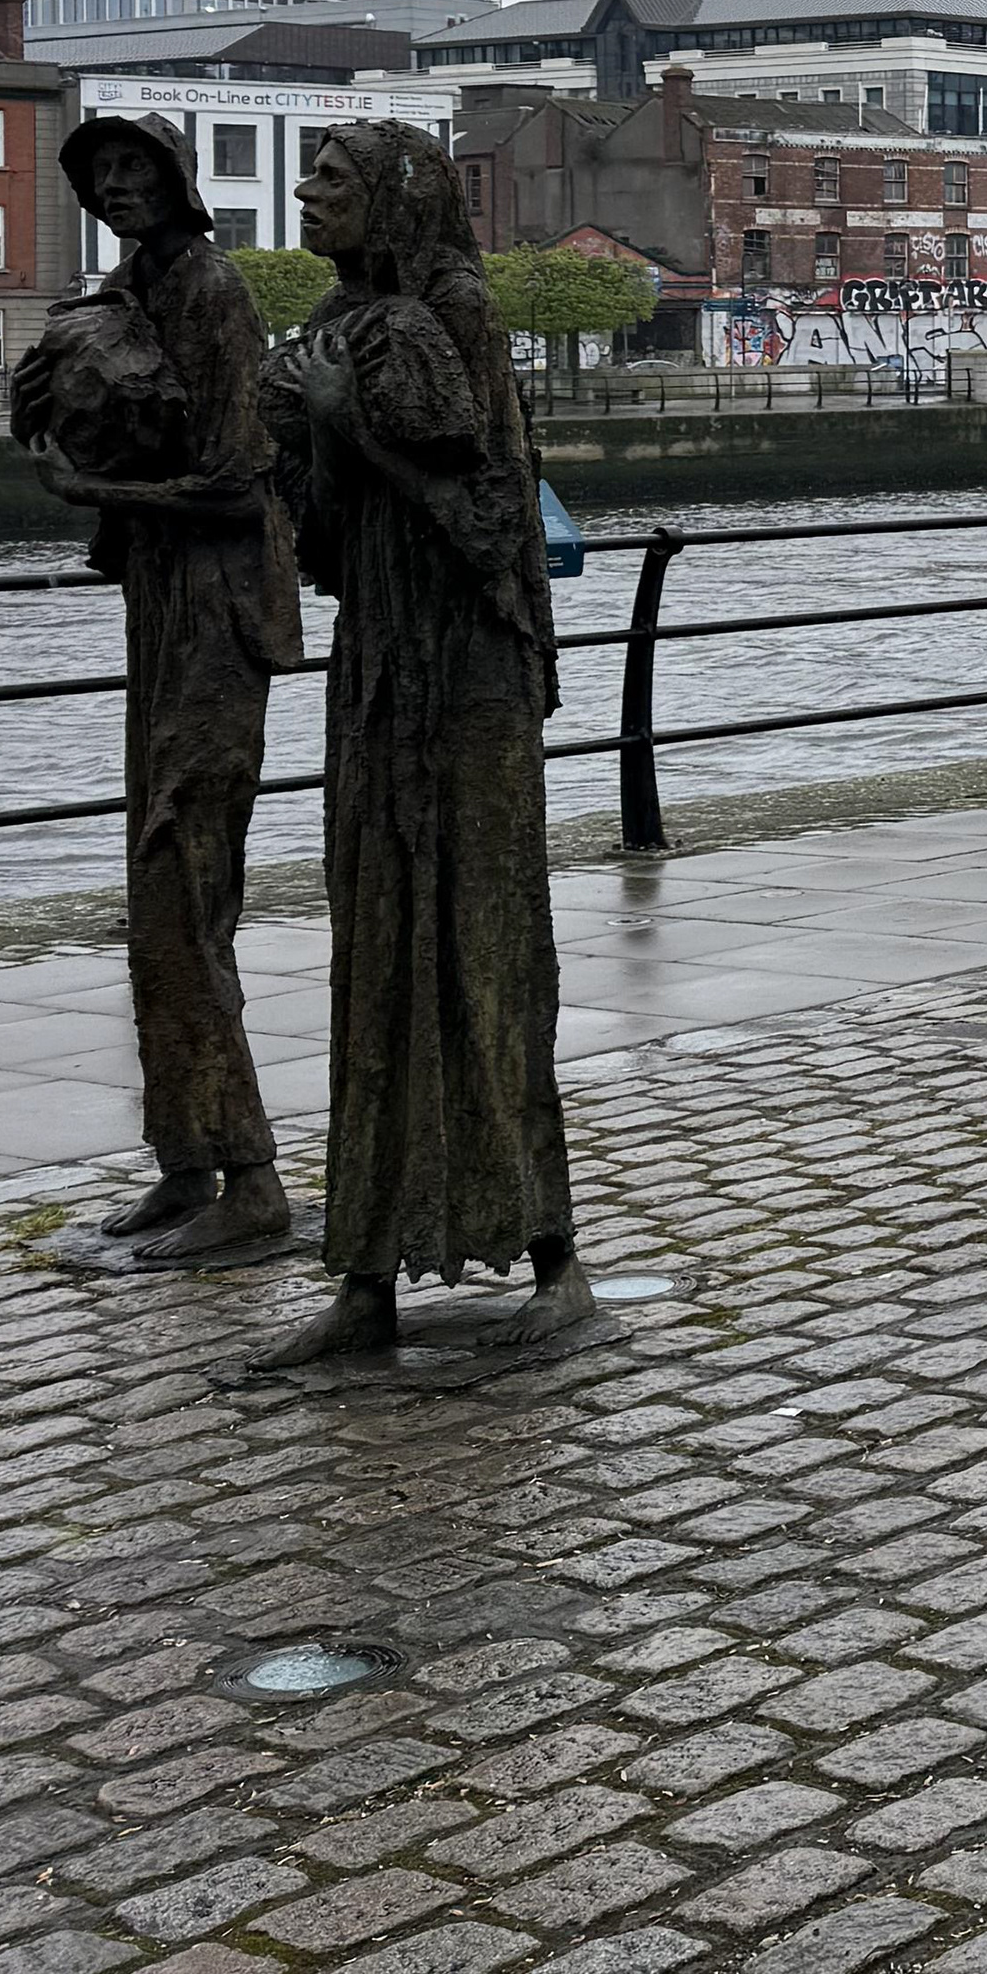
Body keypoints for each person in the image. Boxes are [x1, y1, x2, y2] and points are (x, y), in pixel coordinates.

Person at [245, 121, 592, 1371]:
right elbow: (335, 539)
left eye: (330, 179)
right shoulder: (345, 318)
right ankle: (368, 1274)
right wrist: (304, 444)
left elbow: (494, 511)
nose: (306, 195)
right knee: (377, 955)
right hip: (381, 670)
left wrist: (361, 422)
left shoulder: (458, 311)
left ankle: (554, 1254)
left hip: (473, 682)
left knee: (486, 956)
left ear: (393, 193)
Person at [8, 115, 303, 1262]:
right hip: (160, 598)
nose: (117, 187)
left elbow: (237, 483)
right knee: (153, 894)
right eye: (100, 173)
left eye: (136, 168)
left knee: (185, 881)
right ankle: (186, 1160)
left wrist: (97, 496)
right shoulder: (124, 285)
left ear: (178, 177)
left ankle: (255, 1181)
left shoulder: (215, 286)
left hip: (220, 607)